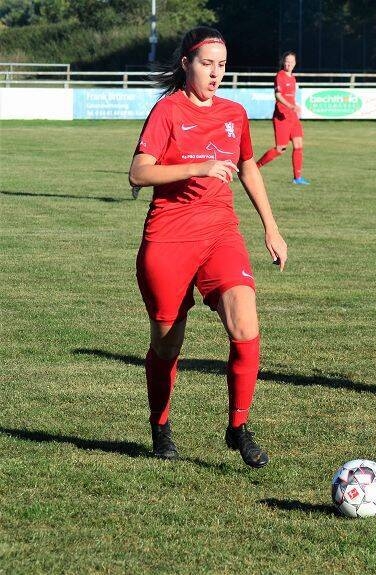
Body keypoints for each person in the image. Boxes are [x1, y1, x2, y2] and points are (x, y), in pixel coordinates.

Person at [128, 26, 287, 466]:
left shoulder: (234, 113)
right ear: (186, 64)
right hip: (169, 239)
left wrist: (271, 228)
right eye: (207, 64)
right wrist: (196, 167)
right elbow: (138, 173)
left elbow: (248, 166)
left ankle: (238, 428)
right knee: (167, 345)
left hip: (221, 234)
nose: (216, 73)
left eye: (222, 65)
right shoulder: (167, 110)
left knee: (245, 326)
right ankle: (160, 426)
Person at [255, 51, 309, 185]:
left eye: (292, 61)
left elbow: (290, 97)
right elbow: (278, 95)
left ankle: (297, 178)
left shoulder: (293, 78)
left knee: (298, 145)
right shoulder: (280, 76)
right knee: (280, 149)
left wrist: (295, 107)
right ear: (283, 62)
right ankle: (255, 167)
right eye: (287, 61)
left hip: (292, 117)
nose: (289, 64)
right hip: (282, 117)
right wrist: (291, 106)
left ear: (295, 63)